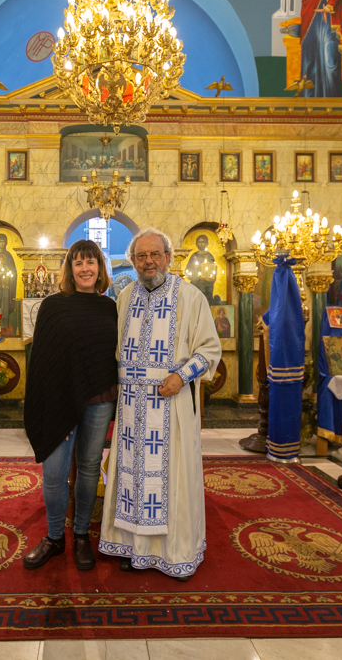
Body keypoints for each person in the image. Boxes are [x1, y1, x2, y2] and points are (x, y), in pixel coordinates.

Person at [99, 228, 222, 581]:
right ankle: (132, 547)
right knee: (131, 479)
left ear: (168, 257)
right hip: (131, 409)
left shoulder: (190, 297)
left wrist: (182, 376)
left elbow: (209, 350)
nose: (148, 262)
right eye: (141, 256)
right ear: (133, 261)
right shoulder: (124, 298)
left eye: (155, 254)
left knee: (172, 480)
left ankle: (174, 553)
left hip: (172, 405)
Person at [23, 239, 118, 571]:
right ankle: (54, 537)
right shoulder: (53, 306)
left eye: (91, 262)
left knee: (89, 468)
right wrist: (51, 406)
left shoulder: (110, 307)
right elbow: (42, 362)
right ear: (70, 269)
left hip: (98, 400)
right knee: (54, 473)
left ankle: (80, 535)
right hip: (59, 400)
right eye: (78, 263)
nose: (85, 268)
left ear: (100, 268)